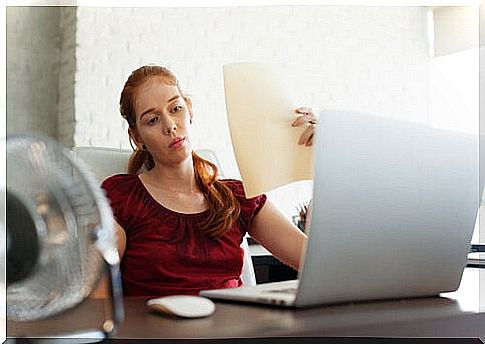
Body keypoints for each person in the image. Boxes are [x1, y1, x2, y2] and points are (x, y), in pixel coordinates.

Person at [92, 65, 317, 298]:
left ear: (189, 110)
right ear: (137, 137)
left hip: (232, 330)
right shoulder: (120, 197)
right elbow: (96, 301)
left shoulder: (236, 196)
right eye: (152, 120)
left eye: (176, 108)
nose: (170, 125)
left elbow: (317, 261)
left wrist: (324, 155)